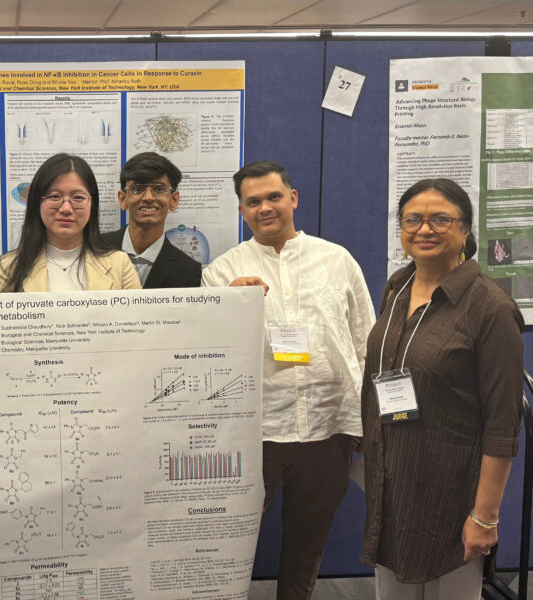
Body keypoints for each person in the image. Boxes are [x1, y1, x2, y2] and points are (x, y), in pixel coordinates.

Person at [201, 160, 374, 599]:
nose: (265, 208)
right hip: (253, 431)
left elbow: (365, 340)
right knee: (227, 543)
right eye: (253, 202)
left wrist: (366, 420)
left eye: (273, 197)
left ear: (293, 199)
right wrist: (229, 303)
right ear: (241, 211)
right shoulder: (221, 272)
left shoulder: (338, 261)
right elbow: (207, 355)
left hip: (327, 428)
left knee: (306, 548)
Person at [361, 178, 522, 599]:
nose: (424, 229)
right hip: (393, 487)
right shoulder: (397, 288)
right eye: (413, 219)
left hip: (452, 496)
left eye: (440, 220)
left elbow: (502, 425)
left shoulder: (491, 308)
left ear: (465, 231)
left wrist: (484, 517)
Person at [0, 153, 140, 292]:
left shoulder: (119, 265)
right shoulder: (9, 268)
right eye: (55, 197)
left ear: (92, 204)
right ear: (37, 203)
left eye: (78, 198)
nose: (66, 208)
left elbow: (135, 320)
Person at [102, 152, 202, 288]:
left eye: (159, 189)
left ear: (174, 200)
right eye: (138, 189)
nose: (148, 197)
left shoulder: (188, 271)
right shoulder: (95, 250)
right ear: (123, 199)